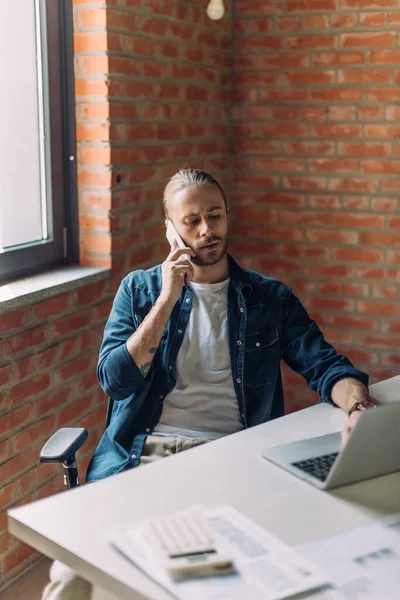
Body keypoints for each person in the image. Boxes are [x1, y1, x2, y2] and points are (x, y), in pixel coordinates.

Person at [42, 168, 377, 599]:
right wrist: (166, 300)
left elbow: (325, 365)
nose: (207, 230)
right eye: (191, 221)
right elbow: (114, 381)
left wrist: (358, 408)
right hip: (140, 458)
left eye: (215, 216)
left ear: (228, 216)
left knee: (210, 577)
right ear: (170, 231)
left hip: (230, 459)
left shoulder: (269, 298)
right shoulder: (139, 291)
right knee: (75, 576)